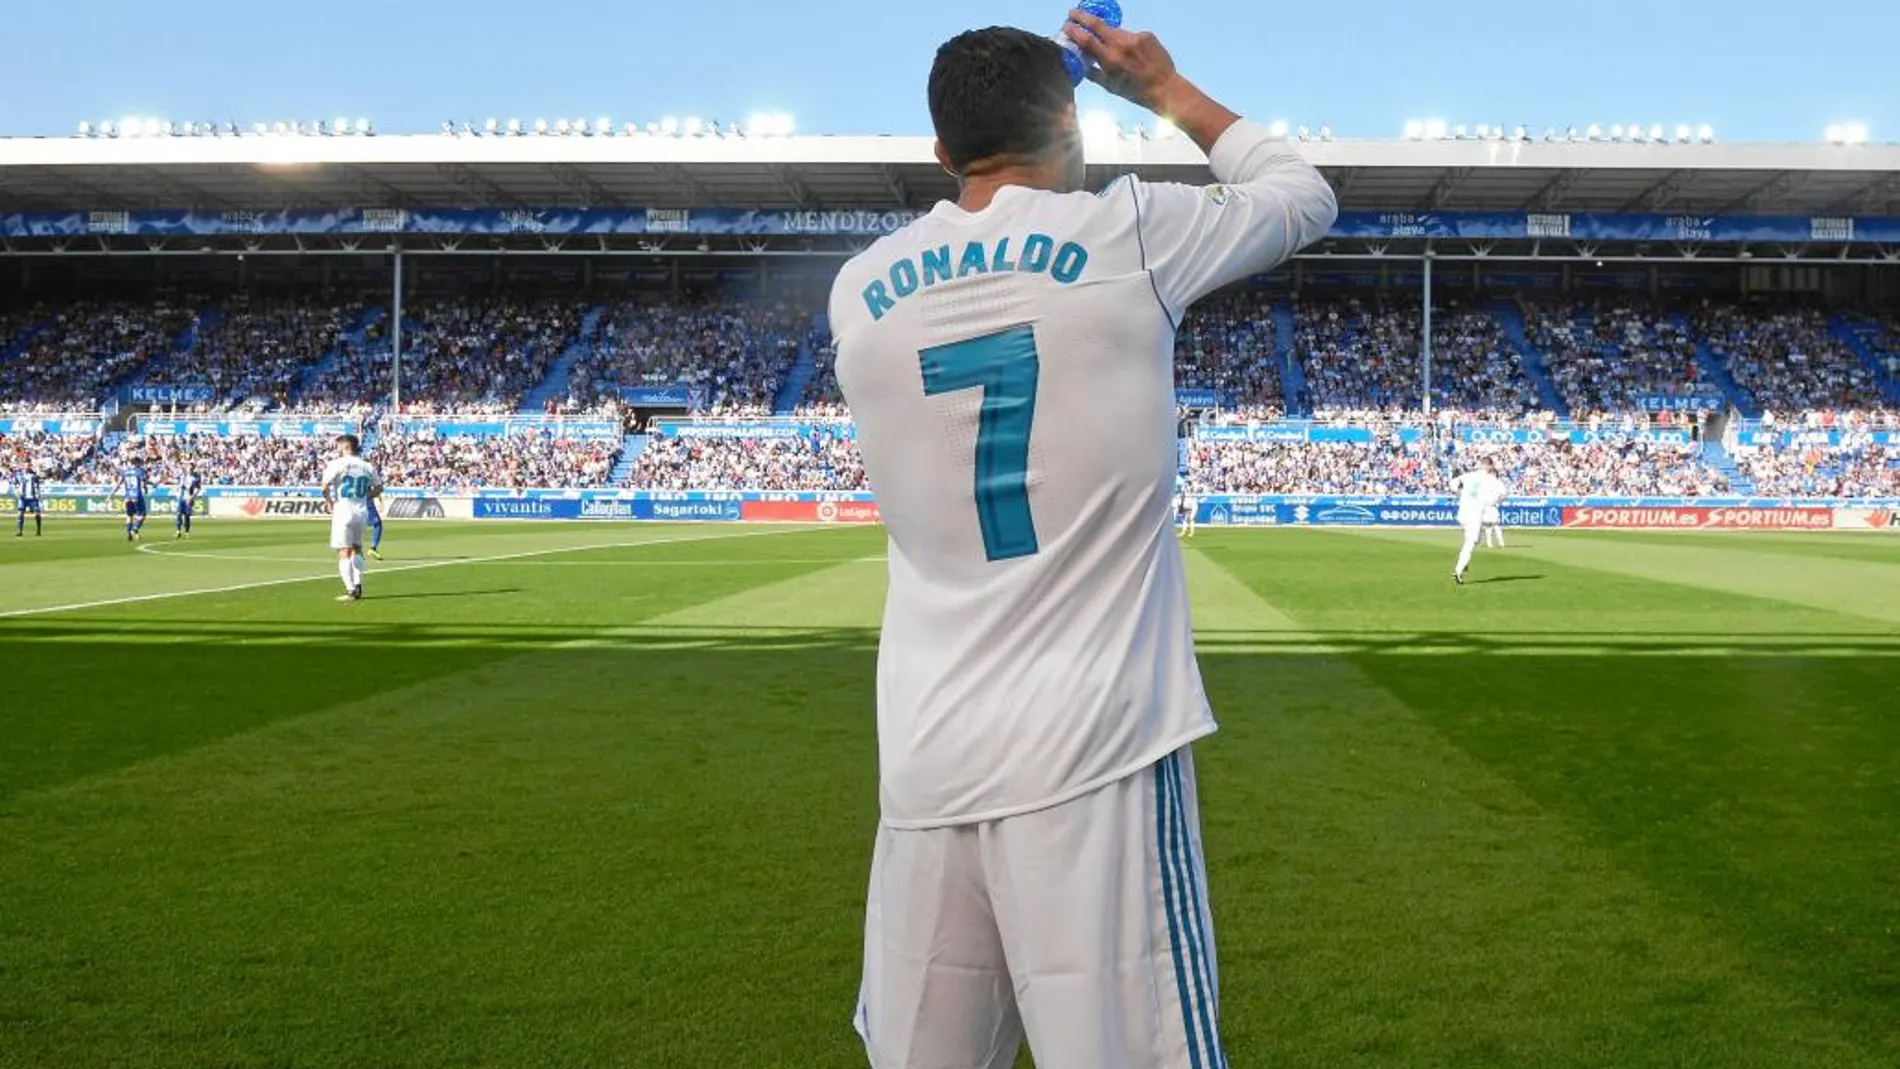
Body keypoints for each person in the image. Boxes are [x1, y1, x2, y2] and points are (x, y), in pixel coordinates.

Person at [829, 13, 1335, 1068]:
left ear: (938, 153)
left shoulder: (859, 292)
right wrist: (1162, 87)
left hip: (925, 763)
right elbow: (1300, 194)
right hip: (1092, 751)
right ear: (1071, 129)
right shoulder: (1129, 232)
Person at [320, 434, 381, 602]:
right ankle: (358, 583)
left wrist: (329, 501)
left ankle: (351, 590)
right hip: (361, 511)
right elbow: (379, 488)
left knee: (343, 551)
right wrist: (364, 496)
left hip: (343, 509)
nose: (337, 449)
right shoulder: (367, 466)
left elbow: (324, 485)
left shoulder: (337, 464)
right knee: (357, 548)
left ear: (346, 446)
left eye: (339, 446)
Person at [1450, 457, 1506, 584]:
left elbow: (1452, 484)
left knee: (1478, 538)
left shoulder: (1469, 475)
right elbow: (1504, 492)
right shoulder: (1491, 479)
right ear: (1490, 466)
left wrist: (1459, 493)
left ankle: (1464, 562)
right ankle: (1459, 570)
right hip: (1475, 514)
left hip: (1463, 512)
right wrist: (1496, 501)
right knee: (1471, 542)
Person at [121, 460, 150, 542]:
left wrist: (110, 495)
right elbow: (143, 482)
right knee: (142, 515)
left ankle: (128, 533)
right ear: (137, 463)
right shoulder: (139, 471)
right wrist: (146, 488)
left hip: (128, 497)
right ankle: (134, 529)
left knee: (129, 516)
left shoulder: (125, 472)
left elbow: (119, 483)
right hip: (137, 496)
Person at [13, 465, 42, 537]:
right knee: (20, 514)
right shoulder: (19, 475)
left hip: (33, 498)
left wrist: (38, 494)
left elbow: (38, 484)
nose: (26, 467)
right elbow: (15, 484)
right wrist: (17, 491)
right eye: (25, 466)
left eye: (28, 466)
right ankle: (20, 531)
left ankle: (38, 530)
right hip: (23, 498)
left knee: (37, 514)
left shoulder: (34, 475)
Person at [174, 466, 202, 539]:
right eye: (188, 468)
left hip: (188, 498)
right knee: (178, 514)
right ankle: (178, 531)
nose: (189, 469)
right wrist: (177, 491)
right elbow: (178, 485)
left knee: (187, 516)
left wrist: (192, 497)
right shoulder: (182, 477)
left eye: (190, 468)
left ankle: (187, 532)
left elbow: (198, 489)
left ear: (192, 469)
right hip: (181, 498)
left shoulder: (195, 478)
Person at [366, 496, 385, 560]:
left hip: (355, 505)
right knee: (378, 525)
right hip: (367, 504)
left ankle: (356, 552)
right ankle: (373, 548)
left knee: (358, 526)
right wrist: (380, 500)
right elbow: (374, 489)